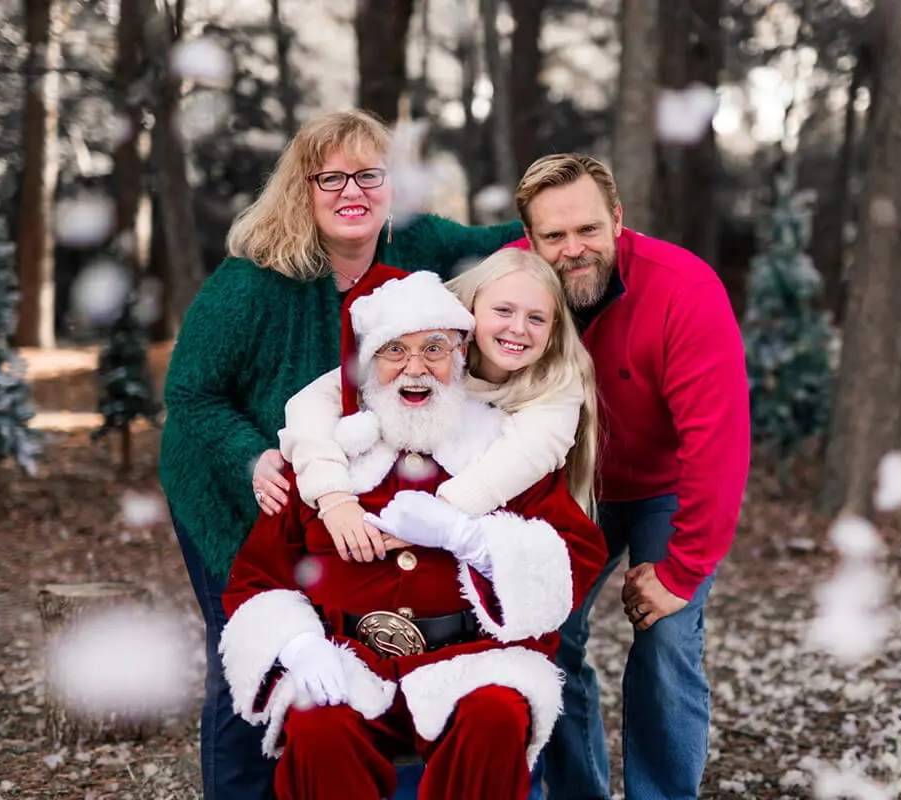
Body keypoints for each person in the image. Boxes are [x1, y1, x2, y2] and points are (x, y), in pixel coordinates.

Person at [159, 108, 523, 800]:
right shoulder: (251, 282)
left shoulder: (419, 241)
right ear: (303, 187)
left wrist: (582, 236)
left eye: (368, 174)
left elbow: (503, 243)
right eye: (331, 177)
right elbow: (191, 393)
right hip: (232, 482)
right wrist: (251, 456)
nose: (351, 190)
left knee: (333, 651)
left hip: (326, 488)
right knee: (251, 650)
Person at [218, 270, 608, 799]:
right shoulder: (325, 453)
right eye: (393, 350)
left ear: (461, 352)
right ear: (366, 362)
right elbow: (258, 577)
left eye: (434, 348)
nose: (415, 368)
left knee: (495, 716)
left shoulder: (501, 448)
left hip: (472, 661)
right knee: (317, 727)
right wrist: (300, 644)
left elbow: (573, 555)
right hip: (348, 657)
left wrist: (474, 541)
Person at [511, 154, 751, 800]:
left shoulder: (685, 290)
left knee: (668, 636)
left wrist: (682, 568)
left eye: (587, 230)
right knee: (540, 634)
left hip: (663, 487)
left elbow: (717, 442)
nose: (572, 250)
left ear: (617, 220)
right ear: (529, 241)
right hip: (565, 486)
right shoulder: (511, 286)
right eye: (553, 237)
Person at [278, 248, 599, 568]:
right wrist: (333, 495)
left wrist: (440, 515)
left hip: (519, 510)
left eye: (536, 318)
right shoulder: (434, 338)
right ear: (470, 311)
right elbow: (313, 400)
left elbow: (529, 452)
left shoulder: (559, 380)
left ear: (554, 327)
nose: (518, 328)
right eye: (503, 310)